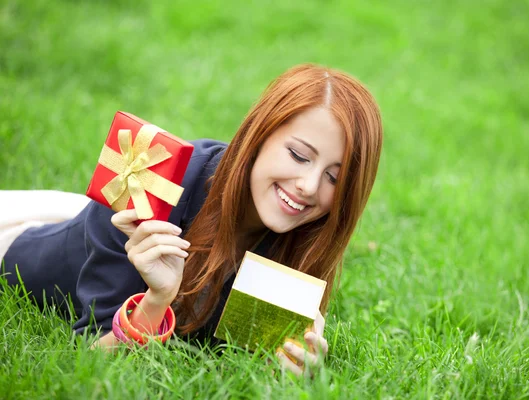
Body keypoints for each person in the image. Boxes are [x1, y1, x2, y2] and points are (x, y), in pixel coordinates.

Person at [1, 63, 383, 376]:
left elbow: (239, 358)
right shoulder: (152, 181)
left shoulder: (306, 234)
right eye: (299, 156)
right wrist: (157, 300)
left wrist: (294, 363)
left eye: (335, 177)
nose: (309, 186)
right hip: (19, 240)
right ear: (258, 134)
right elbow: (90, 360)